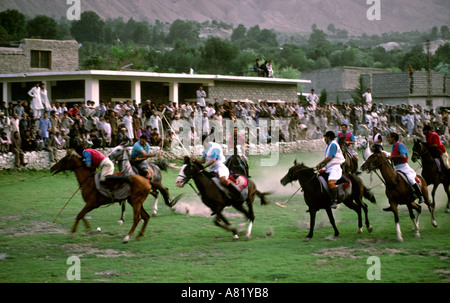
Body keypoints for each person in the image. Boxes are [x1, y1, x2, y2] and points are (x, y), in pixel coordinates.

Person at [192, 135, 244, 203]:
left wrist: (204, 167)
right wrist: (195, 160)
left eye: (202, 142)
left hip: (220, 167)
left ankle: (238, 193)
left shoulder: (214, 147)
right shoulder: (205, 149)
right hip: (212, 169)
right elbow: (203, 161)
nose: (201, 144)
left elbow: (213, 160)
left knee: (223, 180)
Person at [387, 132, 424, 203]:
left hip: (404, 167)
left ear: (393, 138)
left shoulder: (400, 145)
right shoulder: (394, 146)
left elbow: (403, 155)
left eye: (389, 137)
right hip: (397, 168)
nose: (388, 139)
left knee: (411, 179)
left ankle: (420, 196)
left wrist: (392, 156)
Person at [316, 131, 345, 208]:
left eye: (325, 137)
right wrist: (321, 166)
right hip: (329, 167)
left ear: (328, 137)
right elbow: (328, 160)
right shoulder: (328, 146)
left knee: (331, 182)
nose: (324, 139)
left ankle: (334, 201)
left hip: (335, 168)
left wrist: (320, 163)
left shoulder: (333, 144)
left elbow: (330, 157)